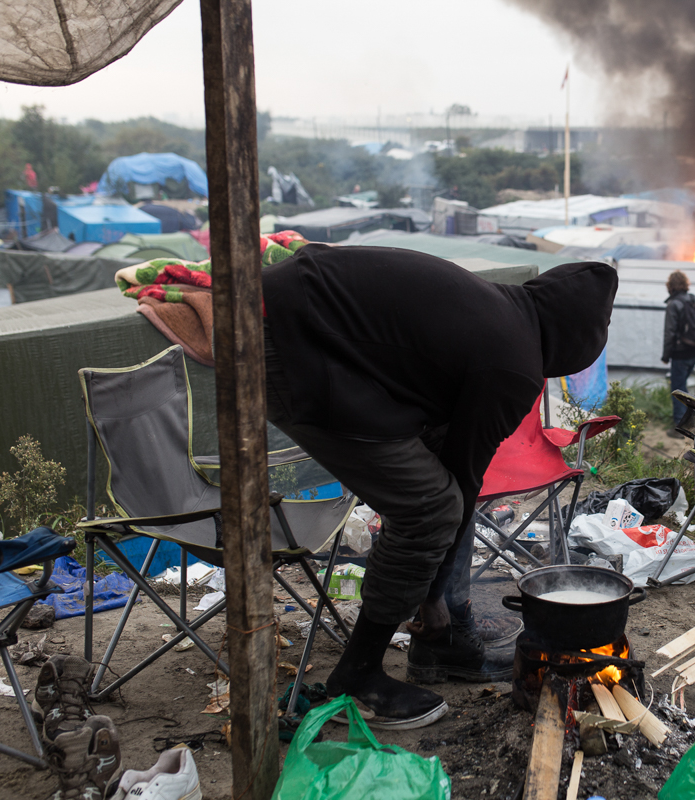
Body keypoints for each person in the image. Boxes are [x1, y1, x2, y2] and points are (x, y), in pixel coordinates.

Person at [262, 244, 617, 729]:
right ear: (579, 337)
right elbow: (463, 480)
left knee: (441, 488)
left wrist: (439, 593)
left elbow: (457, 464)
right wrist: (430, 596)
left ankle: (443, 639)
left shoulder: (504, 313)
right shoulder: (513, 361)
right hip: (291, 338)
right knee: (431, 507)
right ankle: (358, 677)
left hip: (296, 313)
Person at [661, 270, 695, 437]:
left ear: (670, 286)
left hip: (680, 353)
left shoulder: (673, 304)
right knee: (683, 385)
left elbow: (669, 333)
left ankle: (682, 427)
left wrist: (666, 356)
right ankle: (693, 419)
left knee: (678, 389)